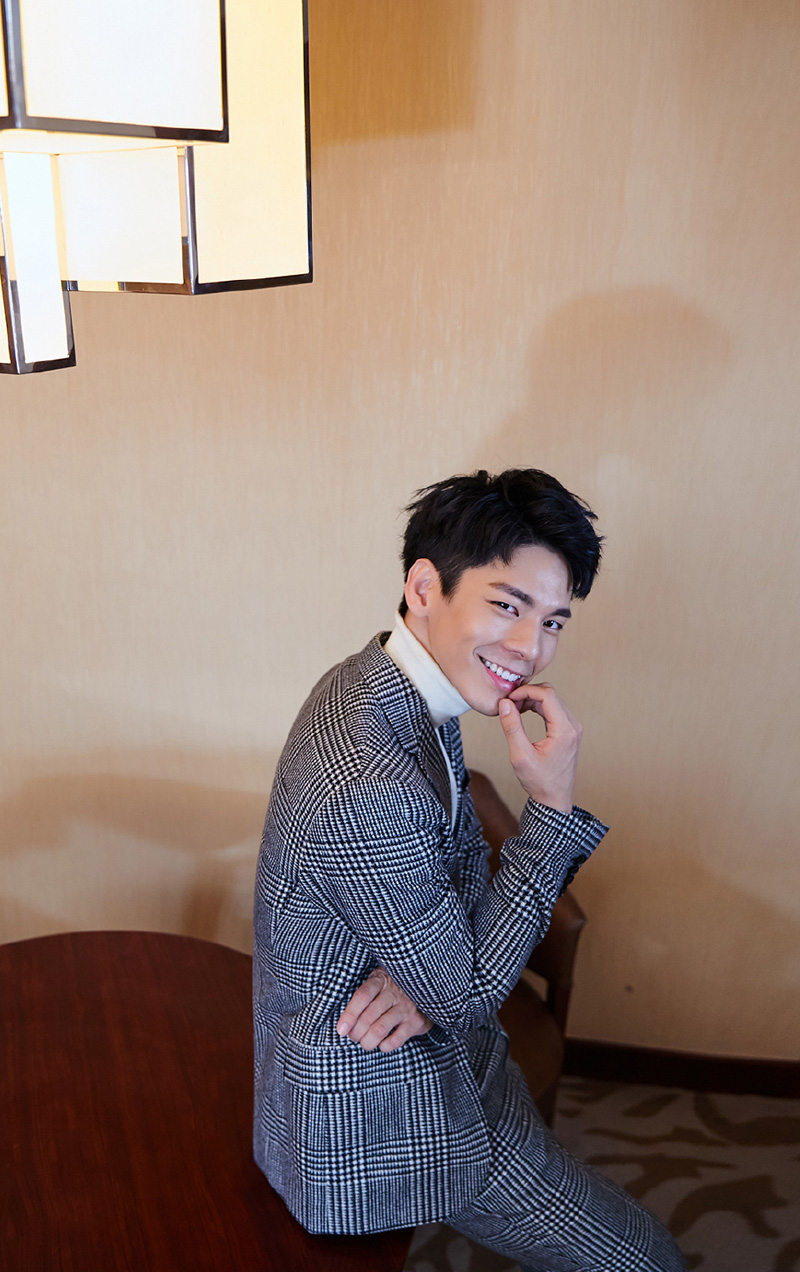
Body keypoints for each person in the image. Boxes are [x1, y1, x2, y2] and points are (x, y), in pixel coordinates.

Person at [253, 468, 686, 1271]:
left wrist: (433, 980)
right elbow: (465, 997)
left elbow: (449, 966)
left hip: (443, 1047)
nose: (531, 649)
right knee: (648, 1260)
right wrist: (549, 809)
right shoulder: (370, 779)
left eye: (553, 621)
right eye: (507, 606)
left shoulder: (385, 679)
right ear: (425, 587)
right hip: (388, 1106)